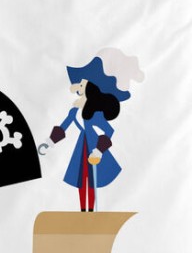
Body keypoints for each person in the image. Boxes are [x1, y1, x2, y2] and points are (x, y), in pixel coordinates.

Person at [42, 49, 144, 211]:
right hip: (81, 147)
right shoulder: (75, 111)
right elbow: (64, 126)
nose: (77, 88)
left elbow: (109, 131)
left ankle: (91, 210)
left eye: (82, 85)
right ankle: (84, 210)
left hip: (93, 147)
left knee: (92, 180)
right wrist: (50, 142)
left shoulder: (94, 113)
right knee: (80, 179)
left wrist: (99, 150)